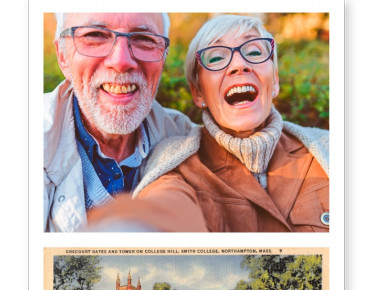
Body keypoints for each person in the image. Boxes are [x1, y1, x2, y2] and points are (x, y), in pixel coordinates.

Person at [87, 14, 329, 232]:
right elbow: (165, 207)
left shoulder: (328, 149)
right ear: (198, 93)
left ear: (274, 80)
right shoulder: (176, 165)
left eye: (254, 52)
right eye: (216, 57)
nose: (239, 65)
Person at [44, 12, 199, 232]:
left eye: (144, 39)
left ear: (163, 57)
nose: (121, 62)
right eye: (95, 35)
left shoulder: (187, 140)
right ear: (62, 56)